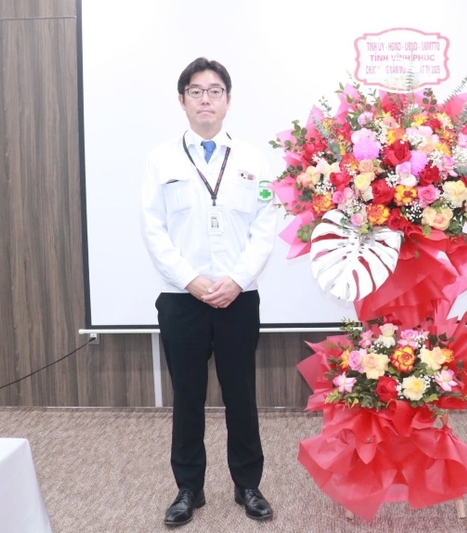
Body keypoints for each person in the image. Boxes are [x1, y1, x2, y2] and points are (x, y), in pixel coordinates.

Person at [140, 57, 277, 526]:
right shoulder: (161, 158)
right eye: (196, 91)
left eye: (214, 91)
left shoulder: (254, 159)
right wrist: (190, 280)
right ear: (182, 101)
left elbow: (265, 226)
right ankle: (188, 489)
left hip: (239, 297)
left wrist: (236, 280)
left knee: (241, 393)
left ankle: (248, 485)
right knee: (188, 397)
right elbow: (153, 229)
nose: (205, 99)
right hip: (182, 299)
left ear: (228, 100)